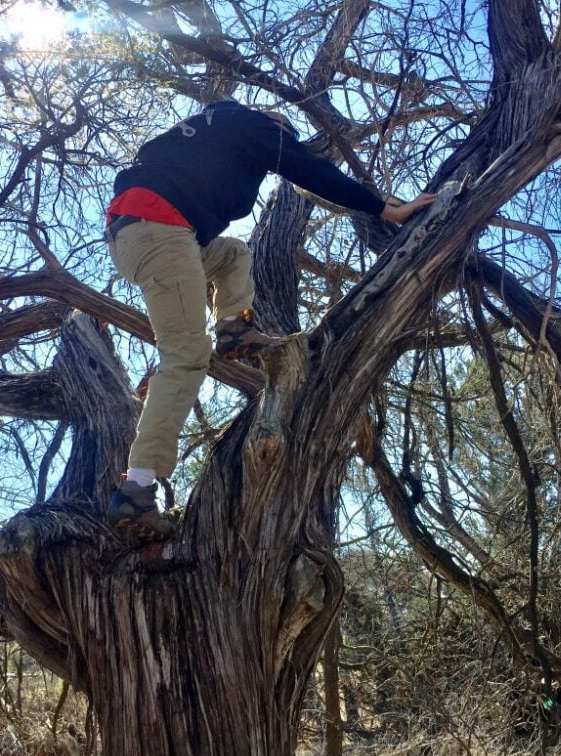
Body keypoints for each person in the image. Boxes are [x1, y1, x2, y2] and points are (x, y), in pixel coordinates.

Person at [105, 99, 436, 538]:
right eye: (285, 134)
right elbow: (309, 172)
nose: (284, 141)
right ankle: (138, 489)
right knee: (185, 353)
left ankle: (233, 328)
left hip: (139, 233)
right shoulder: (255, 127)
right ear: (274, 123)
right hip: (161, 229)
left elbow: (150, 160)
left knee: (233, 253)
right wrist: (385, 208)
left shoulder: (204, 128)